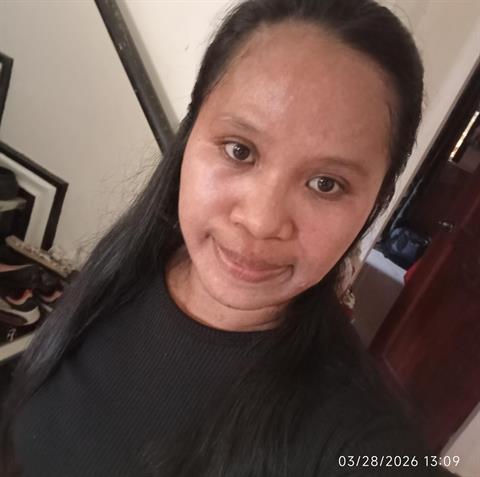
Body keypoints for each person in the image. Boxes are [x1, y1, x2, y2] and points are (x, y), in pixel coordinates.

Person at [0, 0, 459, 475]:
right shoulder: (129, 263)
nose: (261, 222)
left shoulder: (351, 431)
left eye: (326, 183)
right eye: (240, 150)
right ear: (191, 132)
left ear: (376, 202)